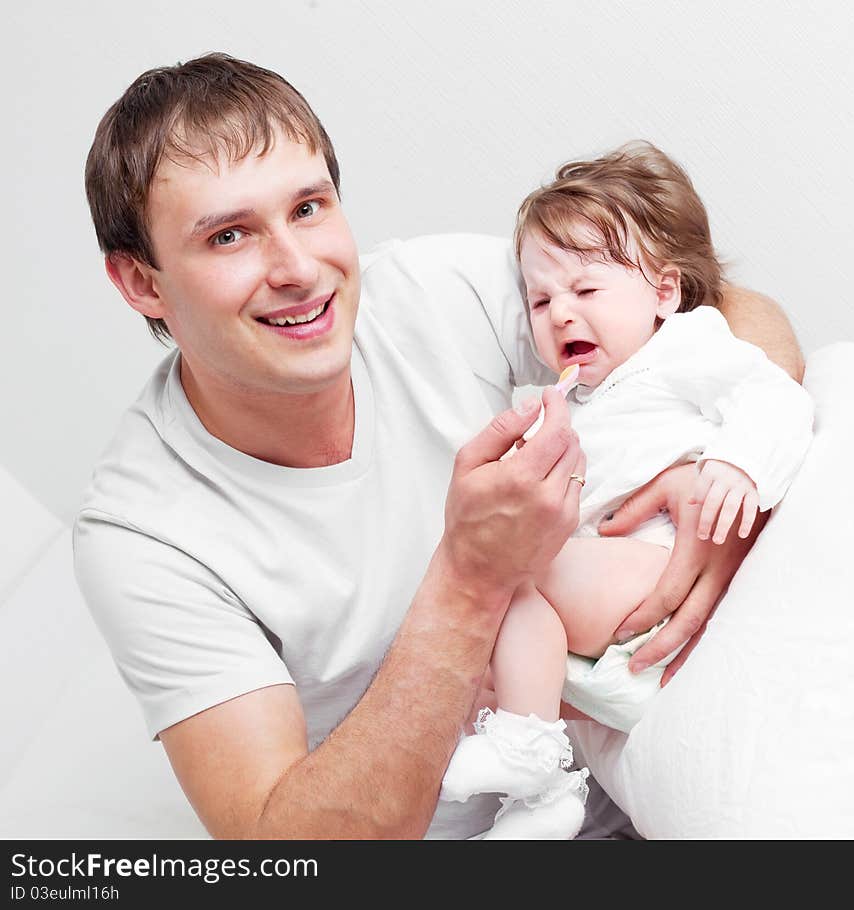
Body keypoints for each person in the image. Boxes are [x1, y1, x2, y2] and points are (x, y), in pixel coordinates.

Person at [73, 53, 805, 840]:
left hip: (636, 803)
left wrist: (715, 492)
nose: (298, 269)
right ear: (141, 283)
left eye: (310, 207)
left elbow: (722, 309)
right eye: (228, 235)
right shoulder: (143, 534)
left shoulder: (436, 295)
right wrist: (470, 576)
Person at [438, 142, 815, 838]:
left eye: (586, 291)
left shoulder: (684, 350)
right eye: (541, 299)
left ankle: (530, 756)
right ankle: (543, 793)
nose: (560, 315)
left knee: (507, 572)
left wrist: (736, 464)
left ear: (664, 294)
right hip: (606, 606)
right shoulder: (568, 397)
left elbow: (773, 398)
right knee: (502, 606)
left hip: (659, 566)